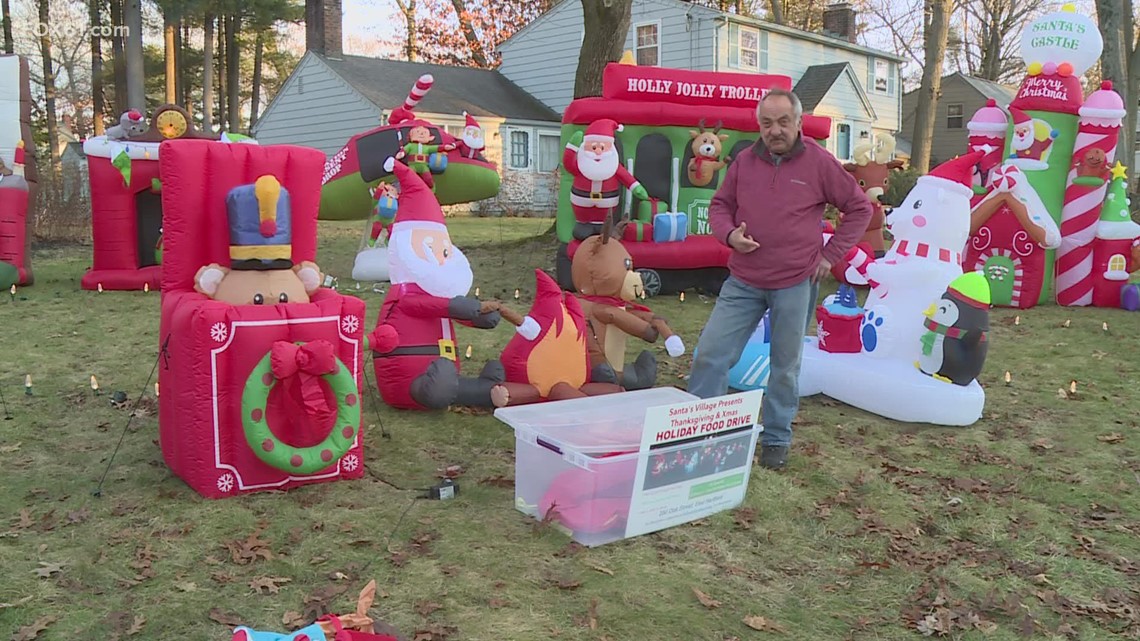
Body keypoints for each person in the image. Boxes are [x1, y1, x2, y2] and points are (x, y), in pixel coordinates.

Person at [686, 88, 874, 471]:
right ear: (759, 126)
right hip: (743, 280)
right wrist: (728, 236)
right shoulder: (742, 163)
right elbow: (721, 205)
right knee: (710, 353)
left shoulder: (820, 164)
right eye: (767, 123)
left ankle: (775, 438)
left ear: (799, 123)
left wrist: (830, 255)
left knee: (784, 365)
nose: (775, 131)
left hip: (794, 280)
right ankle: (702, 435)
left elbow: (859, 208)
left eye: (783, 122)